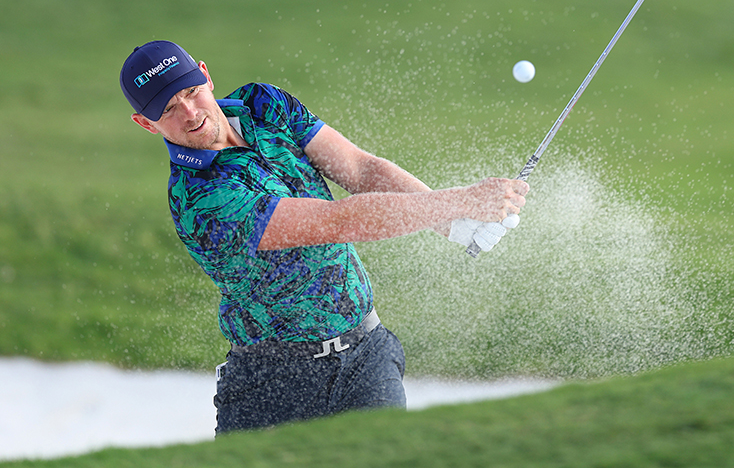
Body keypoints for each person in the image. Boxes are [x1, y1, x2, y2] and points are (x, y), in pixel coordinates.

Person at [120, 40, 528, 434]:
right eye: (169, 109)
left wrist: (453, 223)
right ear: (145, 123)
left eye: (191, 91)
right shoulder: (200, 197)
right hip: (273, 389)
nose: (190, 112)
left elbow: (361, 170)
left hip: (365, 356)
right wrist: (460, 201)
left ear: (205, 76)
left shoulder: (263, 104)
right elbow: (339, 221)